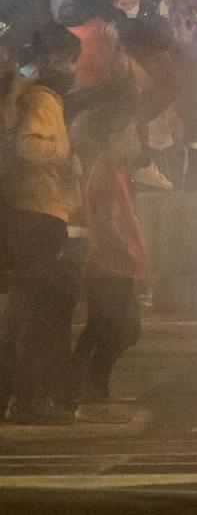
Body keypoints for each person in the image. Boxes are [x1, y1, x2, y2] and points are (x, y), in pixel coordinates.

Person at [0, 22, 82, 424]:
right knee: (39, 310)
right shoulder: (43, 99)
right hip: (37, 212)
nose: (73, 69)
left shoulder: (27, 94)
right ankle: (30, 399)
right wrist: (63, 155)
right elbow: (29, 146)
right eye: (69, 60)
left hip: (33, 211)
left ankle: (21, 396)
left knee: (26, 309)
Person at [69, 107, 147, 412]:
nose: (136, 142)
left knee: (106, 328)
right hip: (108, 266)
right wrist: (128, 251)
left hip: (118, 264)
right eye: (131, 136)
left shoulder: (117, 172)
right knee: (118, 328)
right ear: (114, 139)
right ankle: (82, 385)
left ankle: (88, 386)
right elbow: (106, 224)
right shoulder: (104, 174)